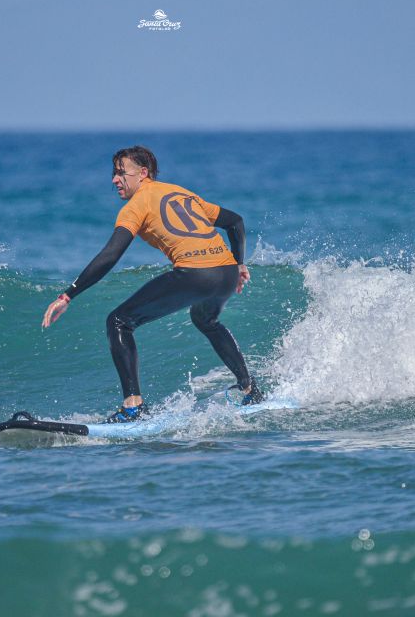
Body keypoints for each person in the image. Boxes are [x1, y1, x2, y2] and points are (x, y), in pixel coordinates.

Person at [42, 146, 264, 422]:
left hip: (195, 272)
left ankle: (133, 407)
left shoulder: (136, 205)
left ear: (143, 173)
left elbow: (110, 255)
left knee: (118, 322)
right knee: (205, 320)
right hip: (226, 272)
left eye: (121, 172)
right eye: (114, 173)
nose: (114, 179)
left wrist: (67, 296)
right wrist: (239, 263)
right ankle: (250, 387)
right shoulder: (182, 193)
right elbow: (235, 222)